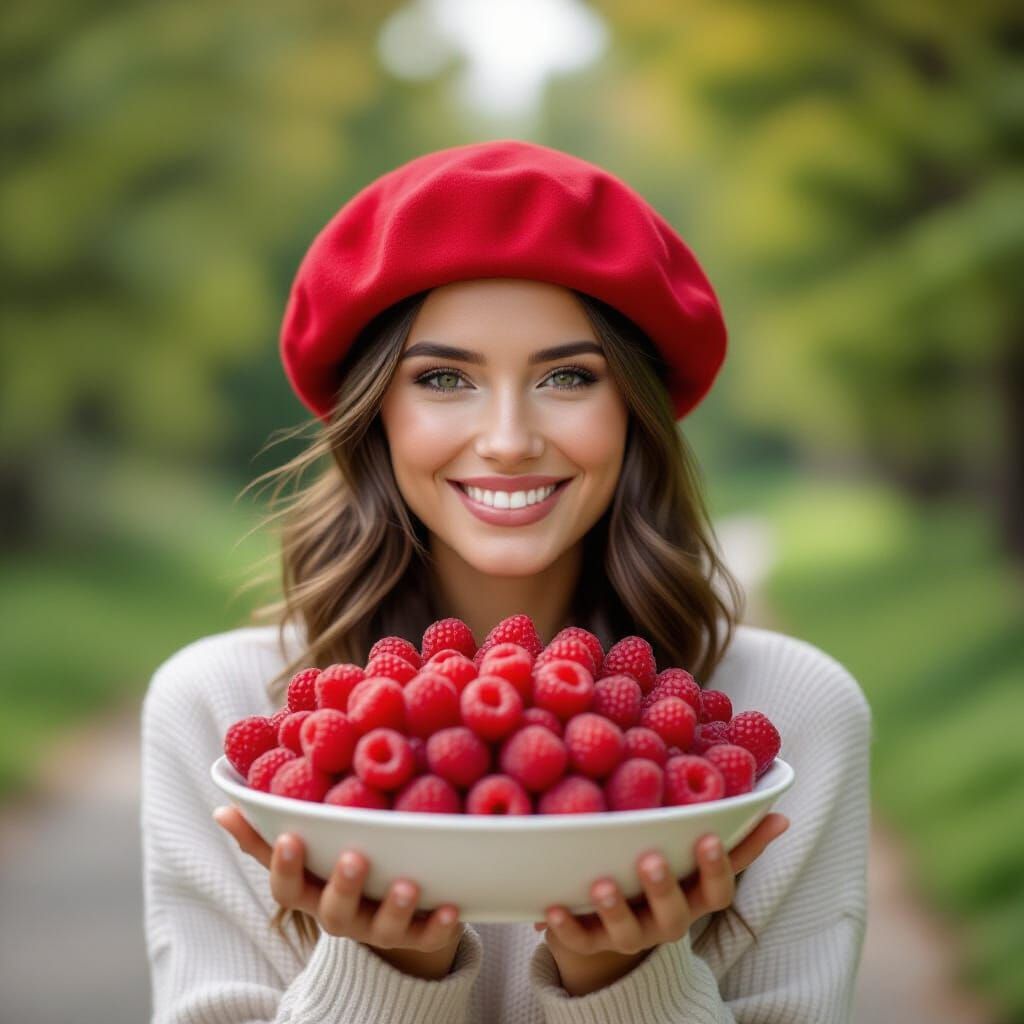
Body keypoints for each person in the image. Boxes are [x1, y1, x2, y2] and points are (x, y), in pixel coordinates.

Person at [141, 140, 872, 1023]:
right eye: (444, 378)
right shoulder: (223, 717)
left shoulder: (792, 719)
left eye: (568, 376)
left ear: (633, 413)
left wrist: (629, 984)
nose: (508, 439)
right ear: (377, 417)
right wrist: (382, 975)